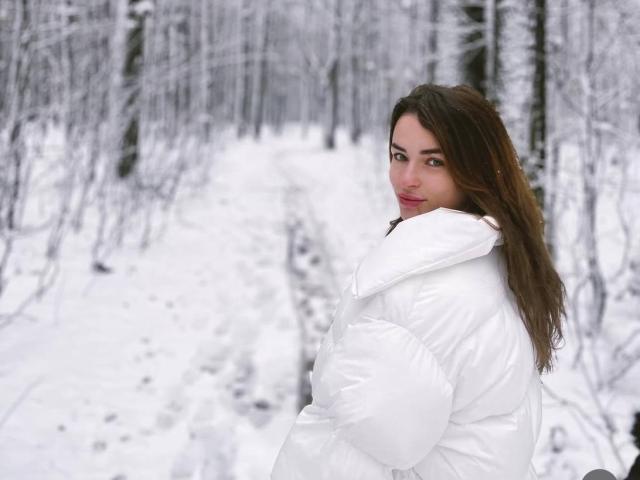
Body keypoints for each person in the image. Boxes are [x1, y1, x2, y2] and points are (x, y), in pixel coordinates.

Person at [270, 83, 567, 480]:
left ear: (474, 169)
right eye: (399, 156)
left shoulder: (420, 295)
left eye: (433, 162)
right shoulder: (494, 257)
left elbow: (340, 462)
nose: (406, 179)